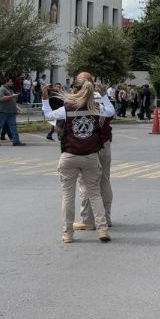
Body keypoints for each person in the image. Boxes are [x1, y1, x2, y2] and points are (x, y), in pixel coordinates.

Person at [42, 76, 115, 243]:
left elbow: (48, 115)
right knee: (95, 194)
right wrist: (103, 96)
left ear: (74, 91)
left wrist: (45, 99)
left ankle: (67, 233)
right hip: (90, 156)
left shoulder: (67, 108)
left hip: (69, 155)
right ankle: (102, 229)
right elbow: (111, 112)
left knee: (68, 196)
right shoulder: (96, 107)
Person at [70, 74, 115, 232]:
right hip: (105, 145)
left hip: (89, 147)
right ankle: (106, 217)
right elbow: (110, 113)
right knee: (104, 181)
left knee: (86, 184)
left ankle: (88, 219)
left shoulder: (80, 101)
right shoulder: (101, 98)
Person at [0, 78, 24, 146]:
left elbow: (12, 101)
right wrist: (12, 96)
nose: (12, 83)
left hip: (11, 111)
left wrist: (18, 108)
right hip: (3, 111)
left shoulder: (10, 90)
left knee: (13, 126)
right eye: (10, 82)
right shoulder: (1, 89)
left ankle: (16, 141)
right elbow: (1, 98)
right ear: (6, 82)